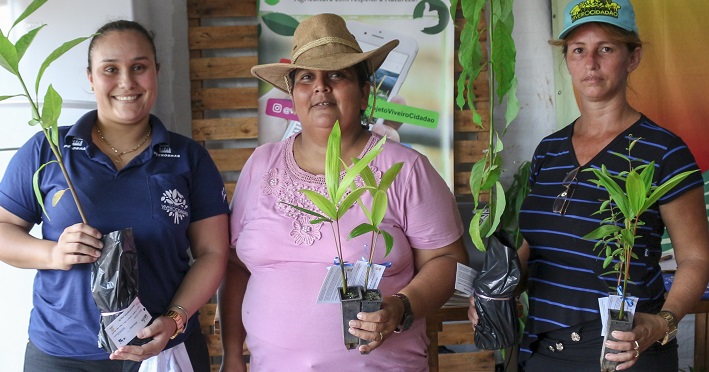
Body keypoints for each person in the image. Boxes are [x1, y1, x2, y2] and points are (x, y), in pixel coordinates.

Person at [468, 0, 709, 371]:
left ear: (633, 57)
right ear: (567, 59)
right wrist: (496, 290)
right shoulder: (549, 150)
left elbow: (696, 257)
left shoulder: (663, 151)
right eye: (578, 50)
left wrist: (663, 323)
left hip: (624, 353)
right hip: (543, 350)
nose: (590, 63)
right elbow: (540, 244)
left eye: (606, 49)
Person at [219, 13, 467, 371]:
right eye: (306, 77)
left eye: (337, 75)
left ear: (365, 92)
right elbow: (236, 265)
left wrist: (400, 307)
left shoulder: (404, 168)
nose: (321, 87)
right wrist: (231, 356)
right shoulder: (261, 164)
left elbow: (448, 260)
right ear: (292, 95)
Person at [0, 20, 229, 371]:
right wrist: (54, 253)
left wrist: (174, 319)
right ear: (91, 77)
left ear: (156, 72)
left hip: (162, 351)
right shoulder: (49, 150)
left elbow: (213, 252)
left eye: (139, 67)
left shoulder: (187, 157)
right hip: (62, 354)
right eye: (110, 69)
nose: (127, 82)